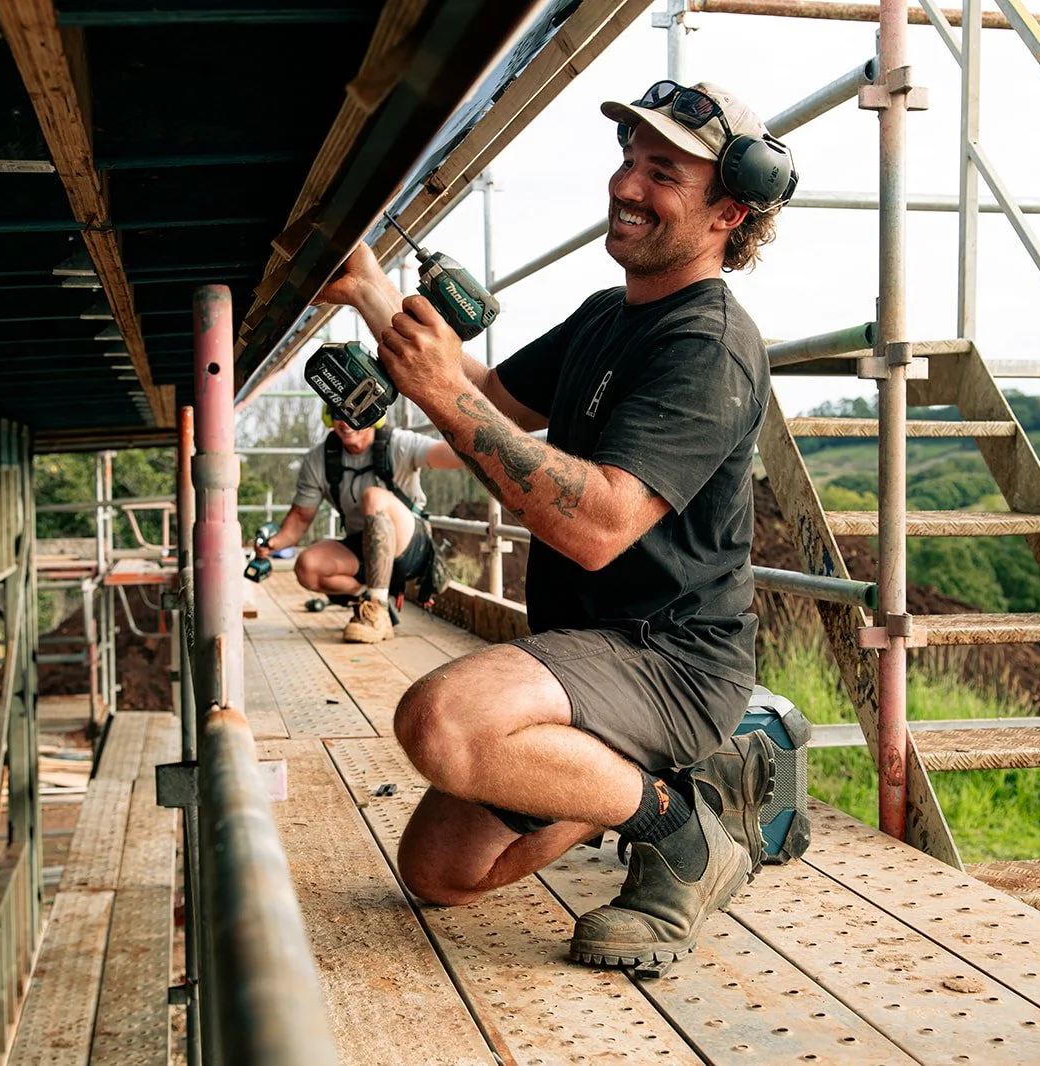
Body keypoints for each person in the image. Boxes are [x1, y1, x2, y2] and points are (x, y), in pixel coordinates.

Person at [315, 81, 795, 971]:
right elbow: (492, 398)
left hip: (673, 661)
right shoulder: (607, 316)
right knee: (440, 874)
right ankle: (642, 786)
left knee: (445, 723)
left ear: (730, 210)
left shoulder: (710, 343)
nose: (625, 185)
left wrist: (445, 396)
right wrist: (371, 292)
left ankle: (684, 835)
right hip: (586, 650)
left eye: (662, 174)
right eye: (627, 161)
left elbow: (599, 525)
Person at [255, 407, 464, 643]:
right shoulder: (319, 460)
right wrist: (272, 544)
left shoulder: (397, 443)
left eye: (354, 413)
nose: (345, 422)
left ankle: (375, 610)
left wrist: (471, 433)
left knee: (373, 497)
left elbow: (449, 455)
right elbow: (301, 518)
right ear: (328, 417)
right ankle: (371, 601)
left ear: (372, 415)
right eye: (337, 413)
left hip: (409, 547)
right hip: (363, 546)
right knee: (307, 566)